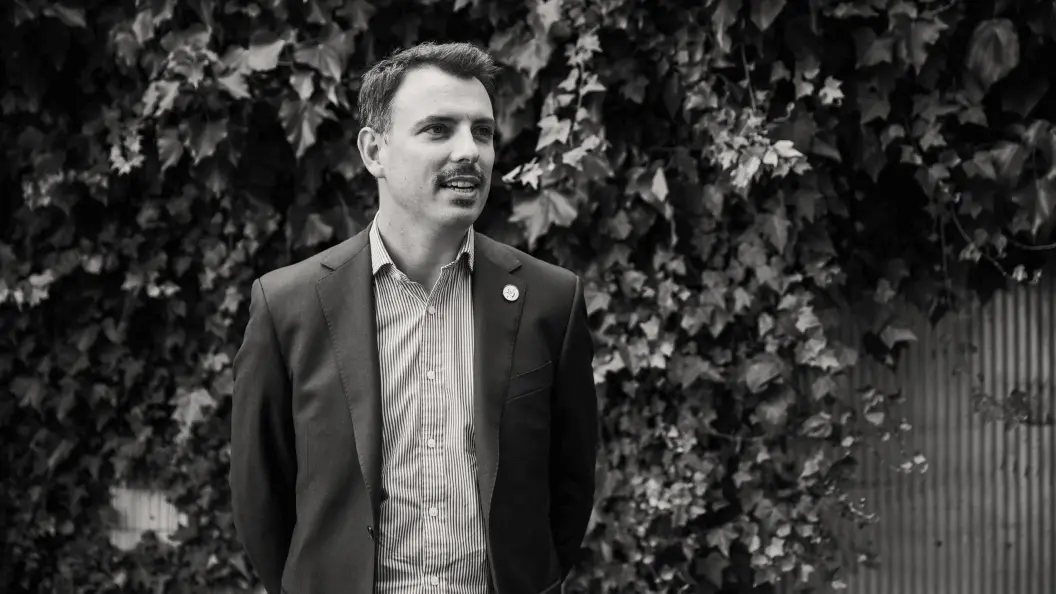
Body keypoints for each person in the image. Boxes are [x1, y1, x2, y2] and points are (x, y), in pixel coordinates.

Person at [230, 41, 598, 594]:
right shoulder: (289, 306)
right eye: (437, 130)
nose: (468, 151)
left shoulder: (551, 300)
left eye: (482, 131)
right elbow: (262, 499)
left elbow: (569, 488)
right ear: (374, 151)